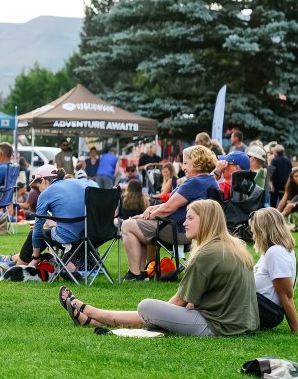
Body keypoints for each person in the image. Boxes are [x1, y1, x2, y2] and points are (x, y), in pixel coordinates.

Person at [60, 200, 258, 337]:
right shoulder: (234, 247)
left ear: (205, 221)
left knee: (147, 307)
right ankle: (94, 318)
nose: (184, 223)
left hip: (218, 327)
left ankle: (95, 313)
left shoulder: (207, 254)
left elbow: (179, 302)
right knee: (155, 311)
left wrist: (159, 316)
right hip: (242, 324)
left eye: (190, 218)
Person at [120, 144, 220, 280]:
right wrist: (150, 210)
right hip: (193, 230)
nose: (183, 167)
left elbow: (168, 209)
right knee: (137, 225)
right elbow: (169, 205)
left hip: (179, 230)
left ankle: (135, 273)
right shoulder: (209, 181)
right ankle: (144, 271)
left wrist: (147, 216)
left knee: (127, 225)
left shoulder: (195, 183)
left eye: (185, 163)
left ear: (196, 163)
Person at [249, 207, 297, 332]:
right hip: (260, 306)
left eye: (254, 231)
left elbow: (286, 296)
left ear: (263, 230)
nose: (253, 235)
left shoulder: (275, 252)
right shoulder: (272, 251)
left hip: (266, 309)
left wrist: (296, 329)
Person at [270, 143, 292, 208]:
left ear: (275, 152)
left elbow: (271, 173)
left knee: (273, 204)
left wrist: (271, 184)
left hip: (275, 186)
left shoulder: (274, 161)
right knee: (283, 203)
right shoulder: (288, 161)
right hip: (285, 185)